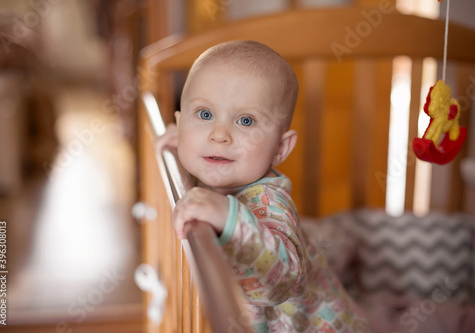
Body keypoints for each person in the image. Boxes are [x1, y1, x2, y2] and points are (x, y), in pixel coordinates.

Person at [158, 40, 371, 333]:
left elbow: (284, 280)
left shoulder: (268, 202)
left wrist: (229, 217)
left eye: (246, 120)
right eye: (204, 115)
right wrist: (182, 141)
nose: (219, 134)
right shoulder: (213, 161)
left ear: (280, 148)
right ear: (181, 124)